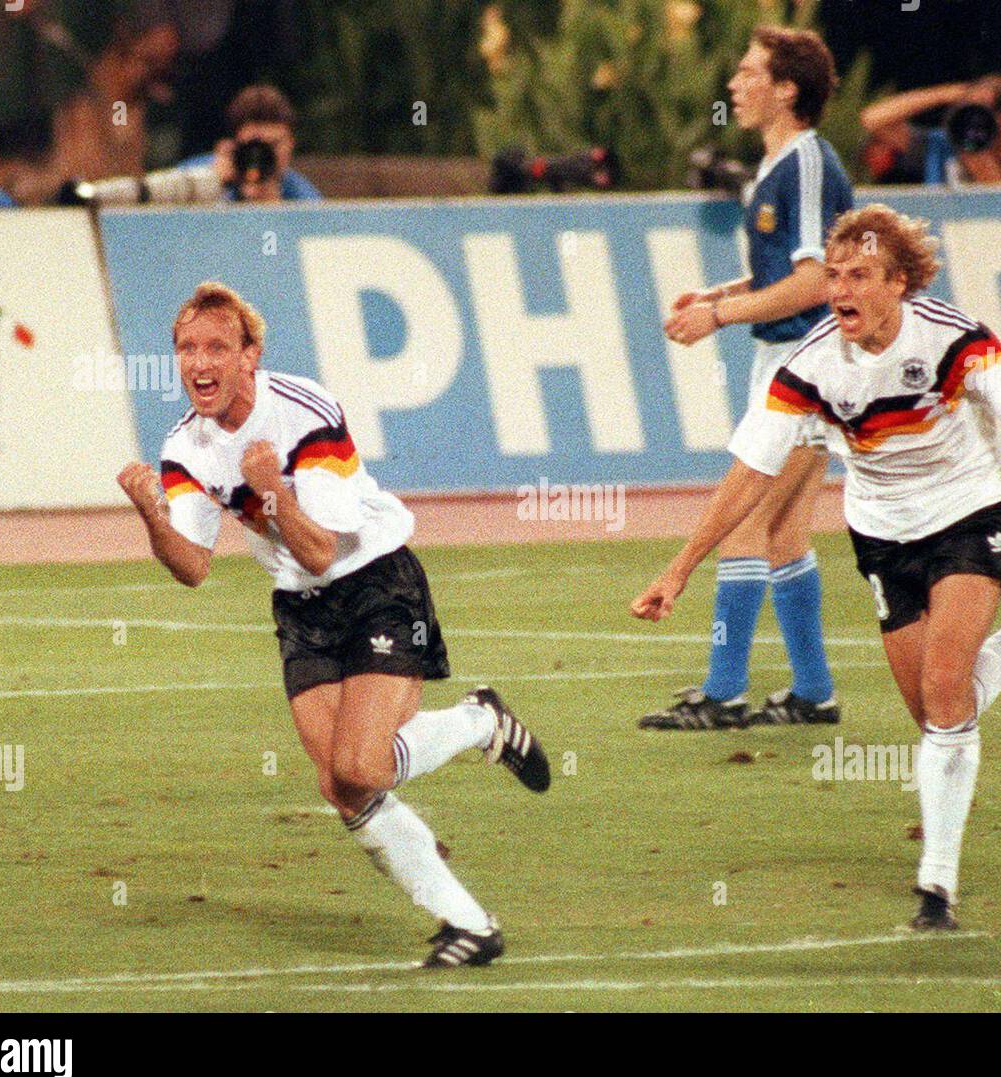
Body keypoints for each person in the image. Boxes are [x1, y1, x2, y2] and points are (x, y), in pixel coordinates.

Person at [631, 205, 1001, 930]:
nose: (841, 288)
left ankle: (936, 888)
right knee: (937, 712)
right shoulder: (810, 364)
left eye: (860, 275)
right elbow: (751, 471)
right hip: (882, 537)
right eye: (835, 275)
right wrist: (679, 568)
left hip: (970, 515)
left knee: (945, 693)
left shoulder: (952, 337)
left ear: (897, 284)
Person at [116, 282, 550, 967]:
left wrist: (273, 490)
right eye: (186, 348)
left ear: (250, 356)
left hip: (376, 584)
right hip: (301, 605)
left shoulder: (306, 413)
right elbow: (193, 568)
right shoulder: (185, 447)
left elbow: (322, 547)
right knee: (342, 785)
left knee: (363, 763)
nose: (199, 362)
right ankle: (468, 924)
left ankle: (477, 722)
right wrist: (149, 512)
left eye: (217, 347)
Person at [639, 26, 851, 732]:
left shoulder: (809, 164)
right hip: (789, 359)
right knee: (785, 528)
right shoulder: (775, 166)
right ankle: (813, 693)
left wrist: (722, 315)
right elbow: (783, 274)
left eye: (748, 71)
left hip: (812, 362)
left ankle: (724, 692)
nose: (734, 84)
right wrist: (716, 295)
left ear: (787, 89)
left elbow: (819, 282)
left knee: (747, 521)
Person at [859, 75, 1001, 185]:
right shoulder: (943, 145)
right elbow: (872, 119)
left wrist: (984, 168)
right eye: (998, 126)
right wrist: (950, 94)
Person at [176, 84, 320, 202]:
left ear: (290, 144)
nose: (262, 155)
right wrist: (211, 186)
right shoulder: (197, 172)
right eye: (255, 145)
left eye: (274, 145)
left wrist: (272, 207)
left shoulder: (303, 198)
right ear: (235, 145)